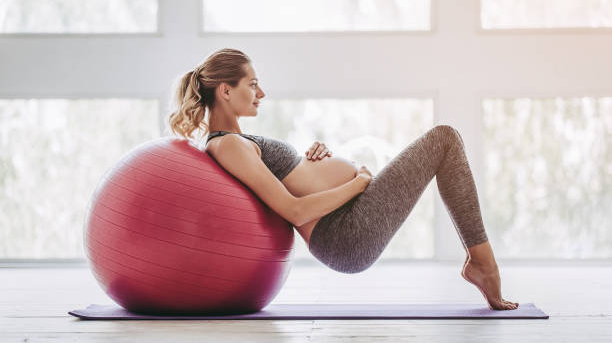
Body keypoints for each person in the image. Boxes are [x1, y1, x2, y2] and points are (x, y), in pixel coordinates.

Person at [167, 47, 519, 311]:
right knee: (444, 139)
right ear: (225, 91)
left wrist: (312, 162)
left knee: (445, 141)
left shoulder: (237, 141)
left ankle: (480, 263)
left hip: (346, 222)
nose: (262, 93)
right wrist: (357, 183)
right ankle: (482, 263)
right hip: (344, 235)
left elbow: (292, 183)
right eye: (253, 84)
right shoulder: (227, 145)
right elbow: (294, 209)